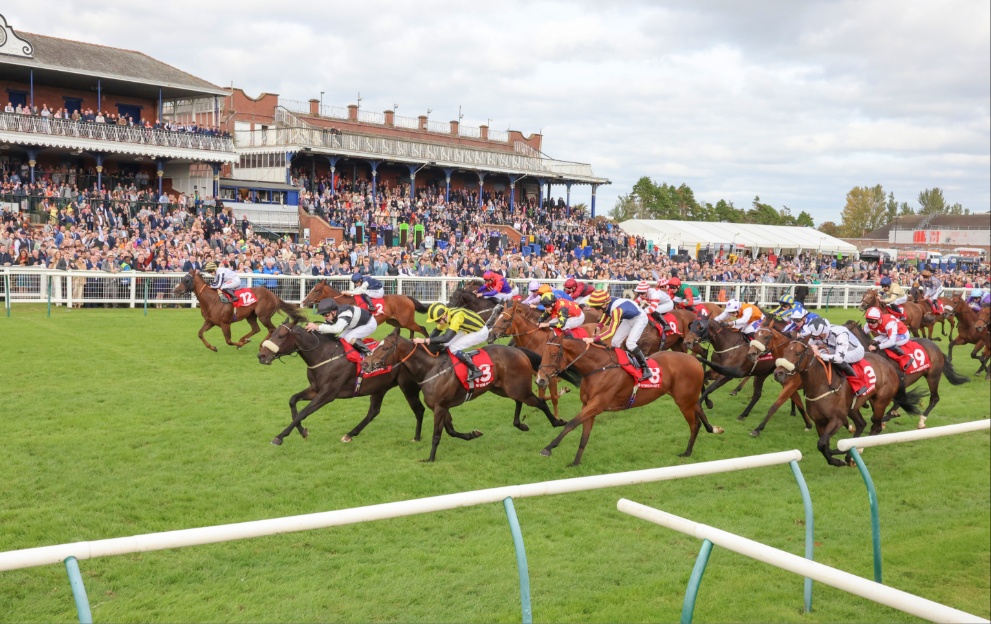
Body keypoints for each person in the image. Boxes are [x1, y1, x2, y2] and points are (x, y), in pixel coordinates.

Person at [585, 289, 651, 381]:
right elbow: (606, 314)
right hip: (628, 319)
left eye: (596, 308)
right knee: (615, 342)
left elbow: (611, 331)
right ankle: (618, 363)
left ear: (604, 305)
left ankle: (646, 369)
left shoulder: (616, 310)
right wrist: (599, 327)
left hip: (640, 319)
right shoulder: (607, 304)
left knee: (630, 344)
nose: (595, 310)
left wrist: (594, 339)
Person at [414, 303, 489, 381]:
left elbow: (446, 338)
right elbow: (436, 331)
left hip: (480, 332)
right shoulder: (446, 315)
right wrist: (424, 343)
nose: (437, 323)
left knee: (453, 347)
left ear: (443, 316)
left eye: (437, 320)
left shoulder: (456, 317)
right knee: (446, 345)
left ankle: (475, 370)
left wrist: (425, 340)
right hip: (468, 329)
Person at [805, 317, 868, 396]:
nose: (814, 338)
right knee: (818, 354)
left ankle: (859, 386)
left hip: (854, 351)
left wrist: (820, 354)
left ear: (823, 333)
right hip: (835, 347)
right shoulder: (820, 333)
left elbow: (839, 358)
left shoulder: (840, 335)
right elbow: (807, 345)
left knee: (835, 360)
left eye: (815, 336)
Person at [305, 297, 377, 355]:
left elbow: (337, 329)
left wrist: (317, 327)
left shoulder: (345, 313)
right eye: (322, 315)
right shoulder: (333, 313)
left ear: (333, 311)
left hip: (368, 324)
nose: (325, 317)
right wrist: (313, 328)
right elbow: (325, 326)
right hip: (355, 325)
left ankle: (369, 354)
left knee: (349, 337)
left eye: (326, 314)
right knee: (340, 339)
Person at [864, 306, 914, 370]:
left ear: (879, 320)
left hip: (902, 334)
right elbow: (862, 333)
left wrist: (876, 347)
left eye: (873, 321)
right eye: (868, 320)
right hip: (887, 334)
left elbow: (891, 341)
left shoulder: (889, 323)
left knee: (884, 343)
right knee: (873, 341)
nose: (870, 324)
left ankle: (906, 358)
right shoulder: (870, 323)